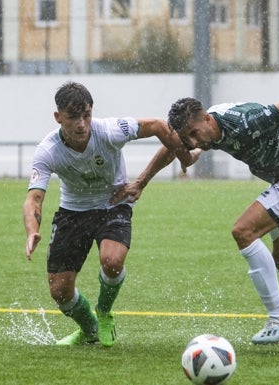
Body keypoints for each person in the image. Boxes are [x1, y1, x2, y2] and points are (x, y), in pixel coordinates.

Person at [117, 92, 279, 344]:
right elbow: (172, 146)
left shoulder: (247, 121)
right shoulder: (204, 130)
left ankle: (278, 320)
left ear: (206, 118)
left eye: (194, 134)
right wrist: (141, 182)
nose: (193, 142)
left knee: (244, 231)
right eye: (188, 138)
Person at [23, 81, 199, 346]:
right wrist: (32, 230)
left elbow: (159, 126)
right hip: (73, 211)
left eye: (87, 115)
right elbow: (34, 198)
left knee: (112, 260)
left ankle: (104, 313)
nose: (82, 124)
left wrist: (179, 160)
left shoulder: (110, 131)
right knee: (60, 291)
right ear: (58, 117)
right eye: (73, 117)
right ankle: (89, 328)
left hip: (113, 204)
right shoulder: (47, 151)